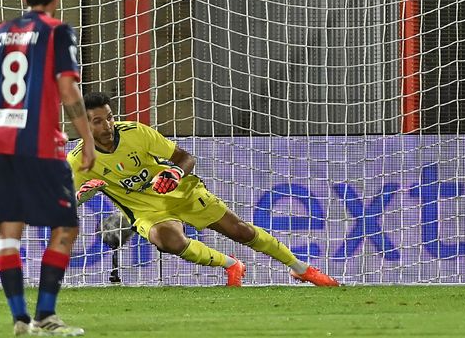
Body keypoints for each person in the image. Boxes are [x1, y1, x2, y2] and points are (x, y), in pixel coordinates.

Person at [68, 92, 339, 288]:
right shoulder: (79, 160)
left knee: (241, 232)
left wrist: (174, 173)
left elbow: (185, 158)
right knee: (168, 242)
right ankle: (231, 265)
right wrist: (82, 196)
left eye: (110, 118)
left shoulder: (136, 133)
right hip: (147, 211)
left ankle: (301, 269)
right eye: (97, 122)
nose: (108, 126)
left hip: (181, 192)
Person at [0, 0, 96, 336]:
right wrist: (86, 138)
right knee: (66, 226)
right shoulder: (57, 31)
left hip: (1, 144)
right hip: (38, 144)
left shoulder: (1, 33)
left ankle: (20, 319)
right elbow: (68, 89)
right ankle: (45, 314)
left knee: (8, 231)